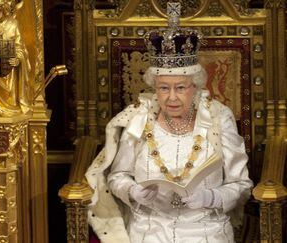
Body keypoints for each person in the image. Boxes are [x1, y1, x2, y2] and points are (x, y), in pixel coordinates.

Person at [86, 3, 252, 243]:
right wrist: (133, 192)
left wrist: (210, 198)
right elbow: (118, 176)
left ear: (195, 87)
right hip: (148, 229)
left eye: (180, 88)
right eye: (164, 88)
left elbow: (241, 184)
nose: (171, 97)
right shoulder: (139, 118)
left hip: (206, 229)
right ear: (155, 87)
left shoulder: (218, 117)